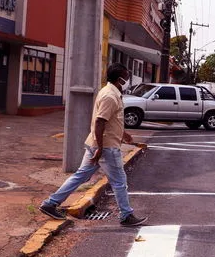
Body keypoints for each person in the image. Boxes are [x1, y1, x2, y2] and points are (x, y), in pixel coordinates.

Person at [39, 63, 147, 227]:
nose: (128, 80)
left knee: (81, 175)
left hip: (99, 144)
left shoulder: (110, 92)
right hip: (106, 147)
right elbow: (100, 122)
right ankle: (126, 215)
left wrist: (123, 134)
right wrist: (100, 149)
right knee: (119, 182)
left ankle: (50, 203)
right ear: (120, 79)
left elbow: (110, 120)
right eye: (126, 77)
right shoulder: (110, 96)